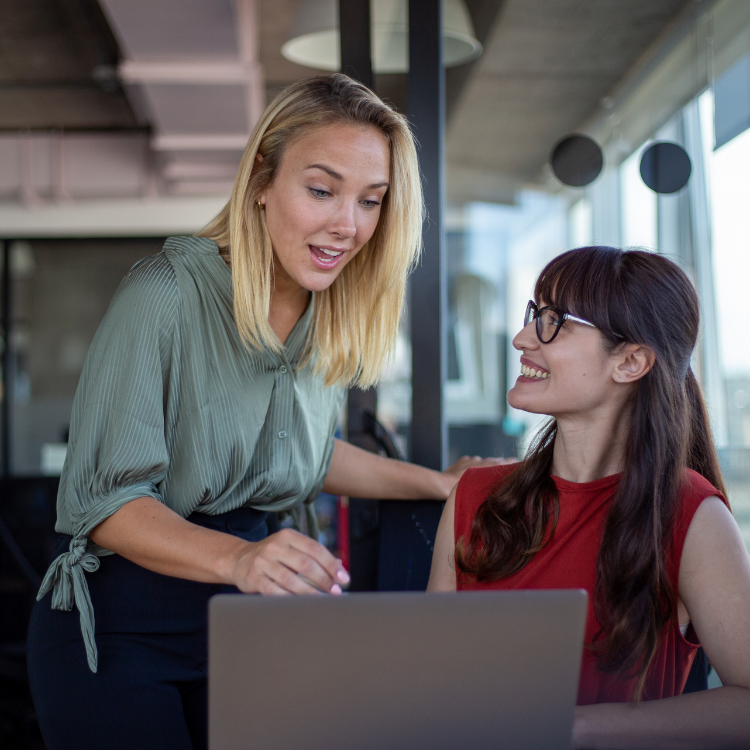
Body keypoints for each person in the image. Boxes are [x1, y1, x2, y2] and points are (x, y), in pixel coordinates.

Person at [27, 74, 498, 750]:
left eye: (371, 201)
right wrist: (241, 561)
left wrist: (437, 483)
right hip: (121, 626)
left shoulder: (325, 308)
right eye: (321, 190)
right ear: (261, 183)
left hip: (244, 625)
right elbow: (107, 503)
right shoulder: (164, 297)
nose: (349, 224)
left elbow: (301, 452)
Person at [428, 246, 750, 748]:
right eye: (534, 314)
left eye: (554, 322)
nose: (521, 338)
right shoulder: (473, 498)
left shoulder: (691, 514)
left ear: (630, 361)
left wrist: (576, 728)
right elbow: (427, 678)